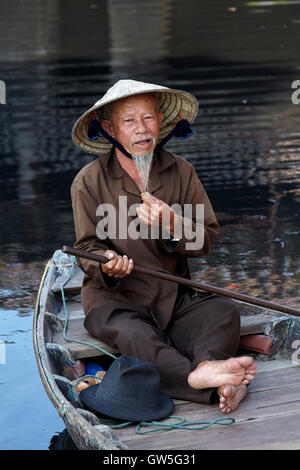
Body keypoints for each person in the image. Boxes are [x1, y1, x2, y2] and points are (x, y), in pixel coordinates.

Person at [71, 79, 256, 414]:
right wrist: (107, 262)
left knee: (222, 311)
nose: (141, 129)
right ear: (110, 128)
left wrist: (174, 223)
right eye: (129, 121)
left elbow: (206, 238)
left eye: (149, 118)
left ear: (162, 122)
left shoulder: (182, 172)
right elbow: (87, 245)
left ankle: (214, 371)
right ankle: (208, 381)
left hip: (175, 296)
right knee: (134, 335)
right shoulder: (88, 181)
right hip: (116, 301)